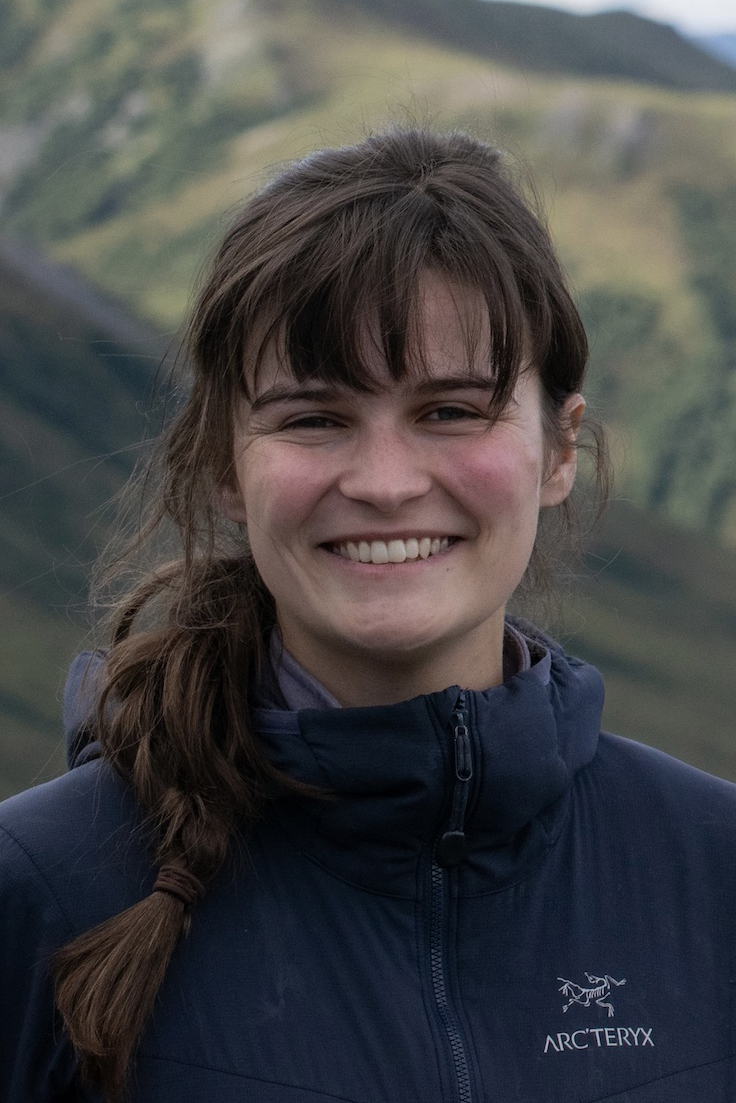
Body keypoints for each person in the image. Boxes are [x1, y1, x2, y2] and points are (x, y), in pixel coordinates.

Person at [1, 127, 735, 1103]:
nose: (385, 483)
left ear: (561, 450)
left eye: (450, 410)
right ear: (226, 461)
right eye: (314, 416)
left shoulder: (714, 873)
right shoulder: (38, 891)